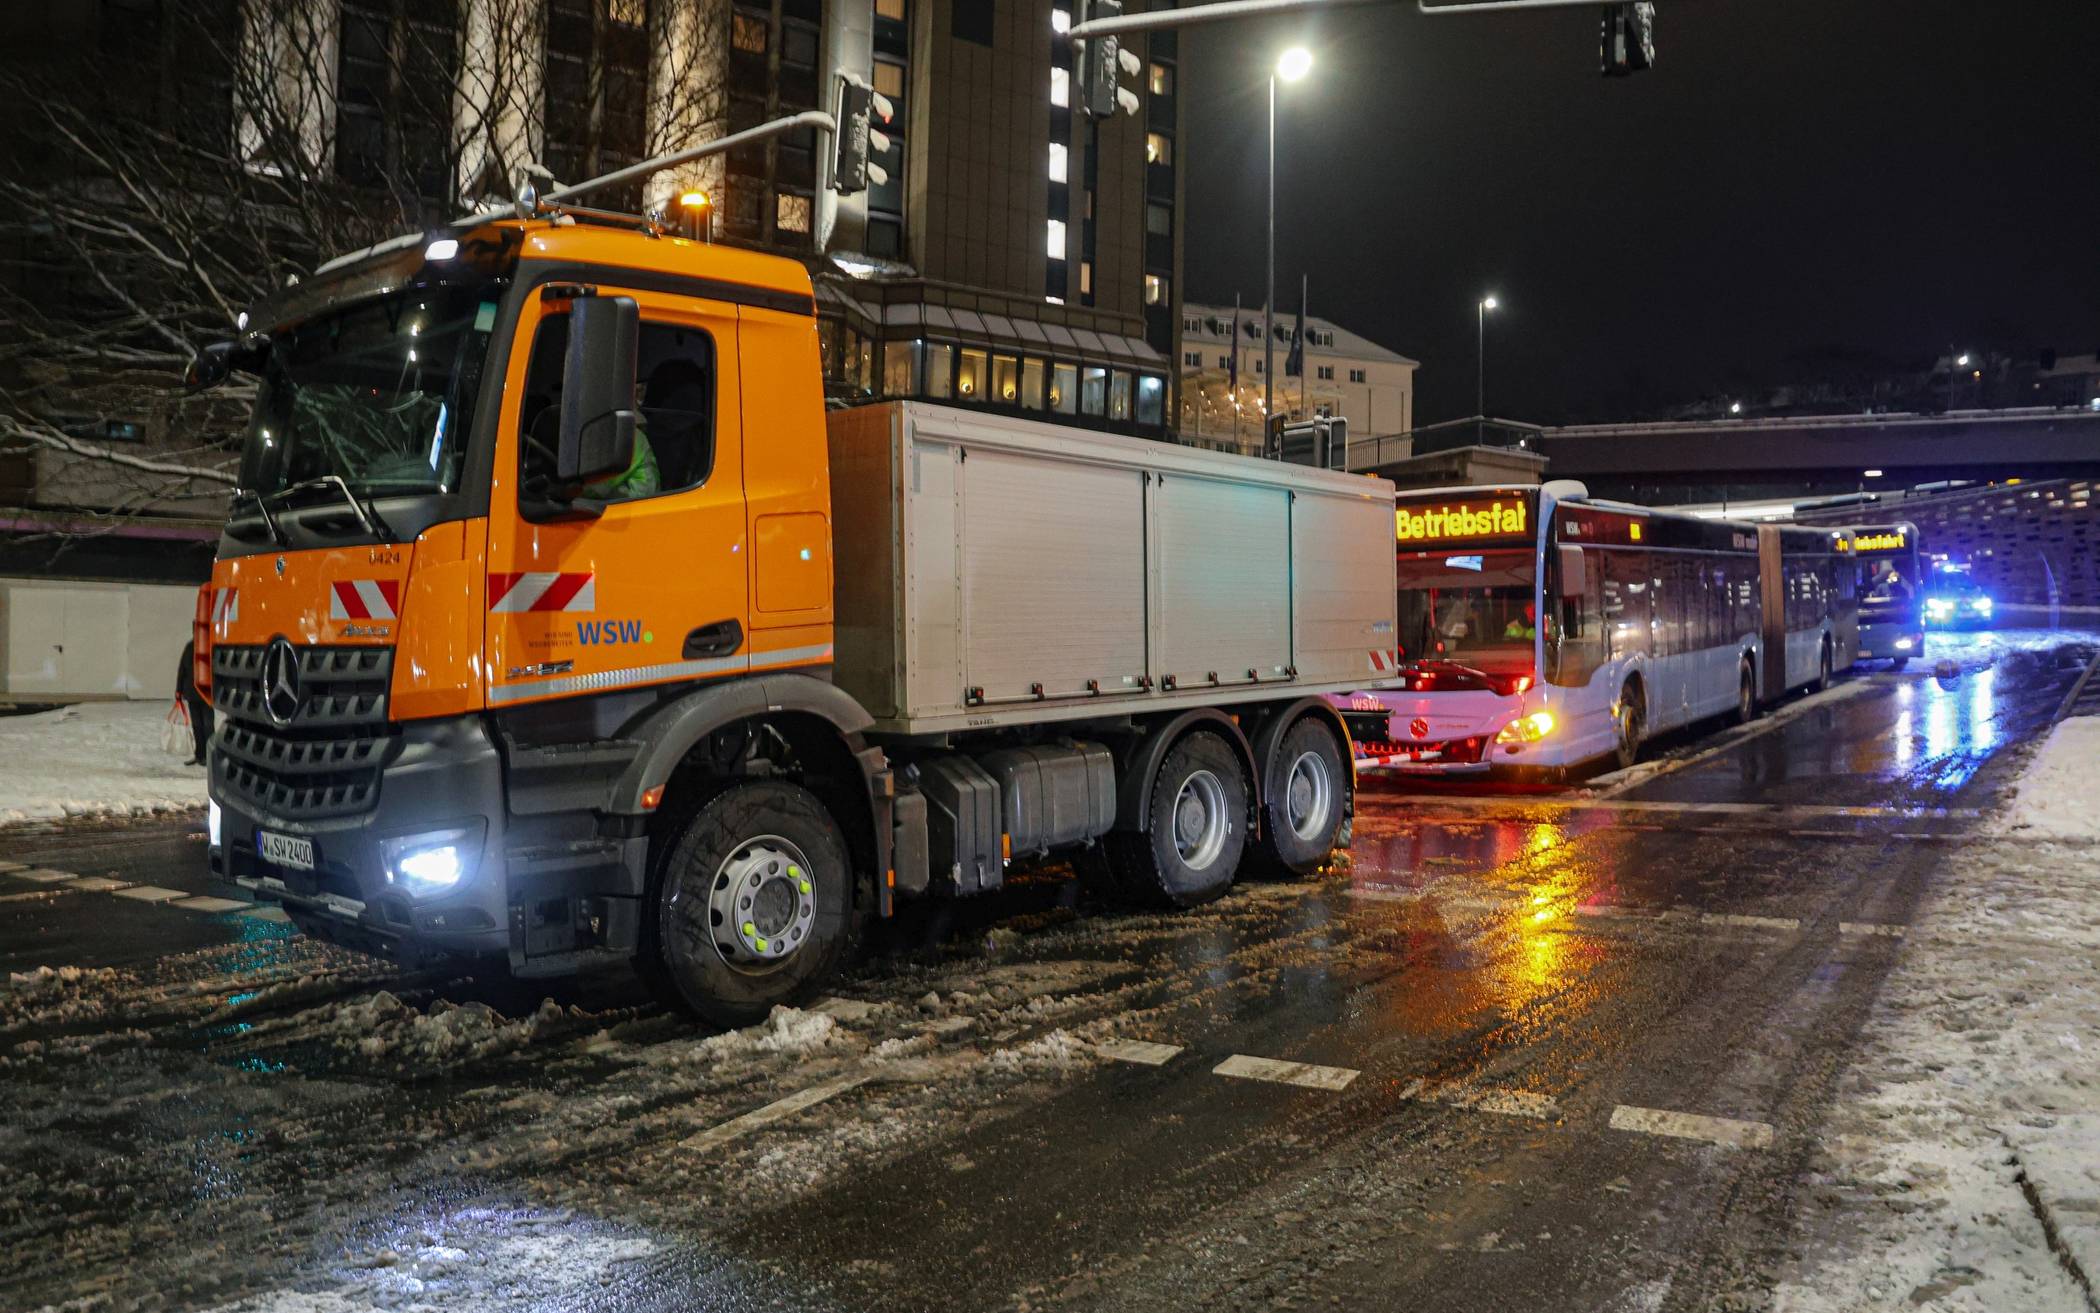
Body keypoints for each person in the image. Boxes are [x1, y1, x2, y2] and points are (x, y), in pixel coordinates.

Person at [175, 639, 212, 767]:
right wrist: (179, 690)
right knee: (197, 726)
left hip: (206, 694)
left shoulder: (209, 645)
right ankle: (200, 755)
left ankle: (208, 756)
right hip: (193, 693)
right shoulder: (190, 647)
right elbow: (182, 670)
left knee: (207, 726)